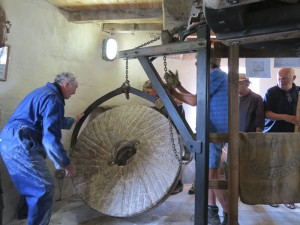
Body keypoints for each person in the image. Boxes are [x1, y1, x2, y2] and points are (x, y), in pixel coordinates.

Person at [0, 72, 82, 225]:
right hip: (21, 142)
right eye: (74, 88)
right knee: (44, 188)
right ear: (66, 85)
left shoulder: (42, 92)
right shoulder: (54, 99)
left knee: (33, 182)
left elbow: (49, 119)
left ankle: (24, 216)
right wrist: (66, 163)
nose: (75, 92)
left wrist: (73, 121)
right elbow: (51, 139)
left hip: (10, 140)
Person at [166, 58, 229, 225]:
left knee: (211, 177)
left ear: (209, 61)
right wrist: (178, 86)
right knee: (209, 176)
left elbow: (194, 101)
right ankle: (212, 211)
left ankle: (230, 216)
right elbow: (197, 98)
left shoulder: (216, 75)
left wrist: (171, 92)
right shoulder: (216, 76)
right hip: (211, 130)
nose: (196, 63)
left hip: (213, 132)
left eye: (198, 61)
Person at [263, 67, 299, 210]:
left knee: (291, 168)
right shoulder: (271, 92)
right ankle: (272, 196)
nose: (281, 81)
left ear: (293, 78)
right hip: (274, 134)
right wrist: (286, 117)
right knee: (274, 167)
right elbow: (267, 113)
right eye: (279, 78)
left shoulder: (299, 91)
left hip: (294, 136)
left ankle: (288, 197)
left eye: (285, 78)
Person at [143, 80, 186, 195]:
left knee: (174, 160)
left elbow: (176, 109)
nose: (147, 94)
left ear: (155, 89)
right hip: (168, 134)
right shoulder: (161, 100)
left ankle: (177, 184)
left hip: (175, 134)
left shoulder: (168, 99)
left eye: (148, 91)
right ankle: (172, 184)